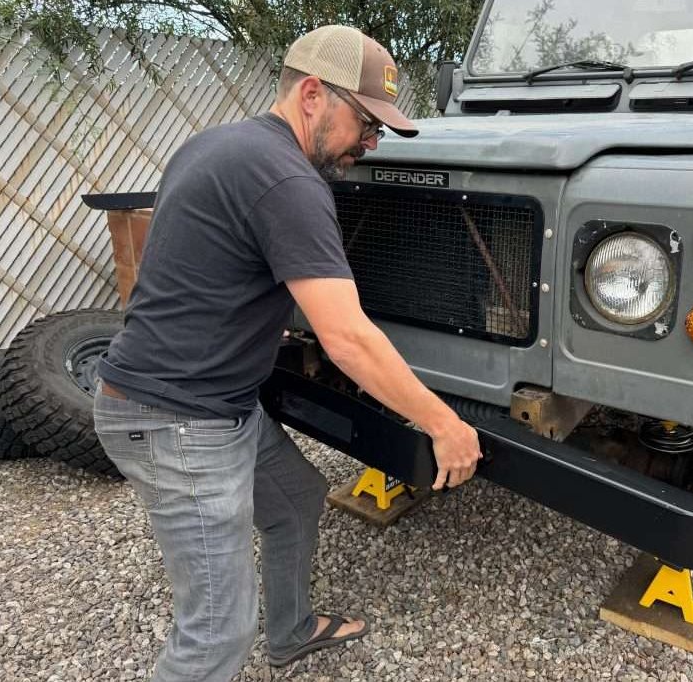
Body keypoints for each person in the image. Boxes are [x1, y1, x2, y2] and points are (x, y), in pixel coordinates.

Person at [92, 24, 482, 681]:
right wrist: (445, 425)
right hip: (177, 419)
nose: (371, 141)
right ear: (311, 95)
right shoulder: (289, 181)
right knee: (216, 634)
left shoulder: (217, 144)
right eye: (365, 121)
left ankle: (293, 630)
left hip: (210, 402)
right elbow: (349, 338)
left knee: (297, 497)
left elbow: (209, 267)